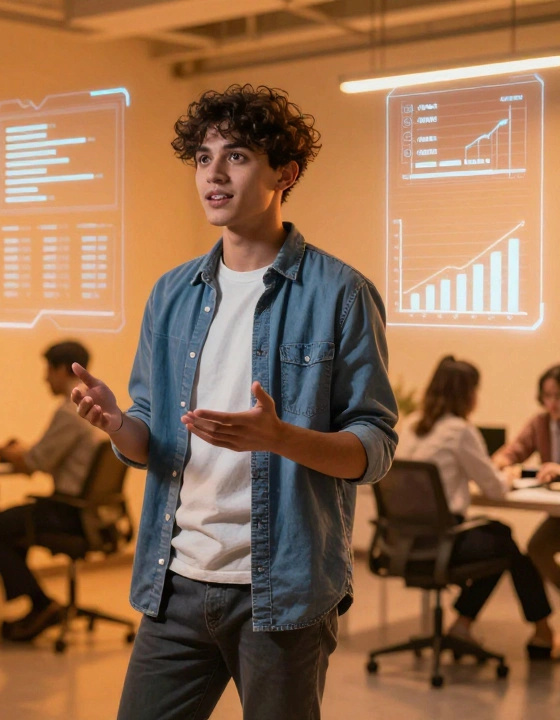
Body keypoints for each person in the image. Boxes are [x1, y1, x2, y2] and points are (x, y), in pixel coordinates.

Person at [69, 85, 399, 719]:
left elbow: (376, 448)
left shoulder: (341, 294)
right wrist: (117, 425)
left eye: (237, 156)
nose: (213, 174)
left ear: (285, 173)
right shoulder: (170, 294)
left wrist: (282, 437)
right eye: (202, 156)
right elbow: (149, 435)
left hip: (283, 593)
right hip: (176, 582)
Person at [396, 356, 555, 658]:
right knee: (504, 543)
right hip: (441, 542)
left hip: (403, 541)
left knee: (499, 540)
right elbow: (494, 487)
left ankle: (467, 624)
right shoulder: (460, 431)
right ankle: (541, 631)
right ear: (467, 394)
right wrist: (507, 475)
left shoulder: (414, 425)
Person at [0, 341, 105, 642]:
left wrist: (4, 452)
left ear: (60, 370)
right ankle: (37, 605)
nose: (45, 379)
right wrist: (19, 452)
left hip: (67, 512)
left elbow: (35, 463)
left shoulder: (70, 412)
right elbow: (47, 455)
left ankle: (41, 604)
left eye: (48, 371)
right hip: (89, 511)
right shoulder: (92, 403)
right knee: (9, 528)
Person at [491, 364, 560, 616]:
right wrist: (500, 464)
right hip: (557, 512)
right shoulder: (540, 423)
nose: (553, 403)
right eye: (548, 396)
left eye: (558, 396)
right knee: (537, 548)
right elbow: (514, 450)